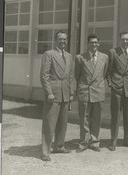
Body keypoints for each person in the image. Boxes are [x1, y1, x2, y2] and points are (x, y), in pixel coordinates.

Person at [40, 31, 75, 161]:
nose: (63, 41)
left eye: (65, 39)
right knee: (49, 123)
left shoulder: (69, 56)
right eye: (60, 39)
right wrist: (48, 92)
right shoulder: (49, 54)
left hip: (65, 92)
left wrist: (71, 92)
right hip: (53, 93)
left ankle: (59, 146)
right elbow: (45, 75)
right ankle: (45, 151)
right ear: (55, 40)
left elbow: (71, 76)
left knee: (62, 122)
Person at [75, 34, 108, 153]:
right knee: (84, 118)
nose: (94, 44)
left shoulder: (104, 57)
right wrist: (82, 88)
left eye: (96, 42)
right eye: (91, 42)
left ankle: (94, 142)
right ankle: (83, 142)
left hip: (98, 91)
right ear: (88, 44)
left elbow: (103, 74)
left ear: (99, 44)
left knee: (96, 118)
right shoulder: (80, 58)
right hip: (85, 91)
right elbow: (77, 75)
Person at [107, 32, 128, 151]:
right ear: (119, 40)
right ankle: (113, 141)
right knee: (116, 116)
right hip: (117, 88)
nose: (125, 42)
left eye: (127, 39)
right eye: (123, 39)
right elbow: (108, 71)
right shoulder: (113, 52)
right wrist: (111, 84)